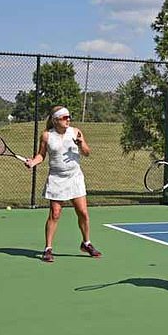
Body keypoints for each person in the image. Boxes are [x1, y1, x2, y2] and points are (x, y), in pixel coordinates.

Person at [25, 106, 102, 263]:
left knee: (83, 213)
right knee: (55, 213)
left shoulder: (75, 132)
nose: (68, 120)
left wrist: (81, 144)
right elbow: (41, 155)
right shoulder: (47, 136)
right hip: (56, 178)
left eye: (69, 117)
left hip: (75, 177)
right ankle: (48, 249)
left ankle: (86, 243)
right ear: (55, 120)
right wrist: (33, 162)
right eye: (64, 117)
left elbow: (87, 152)